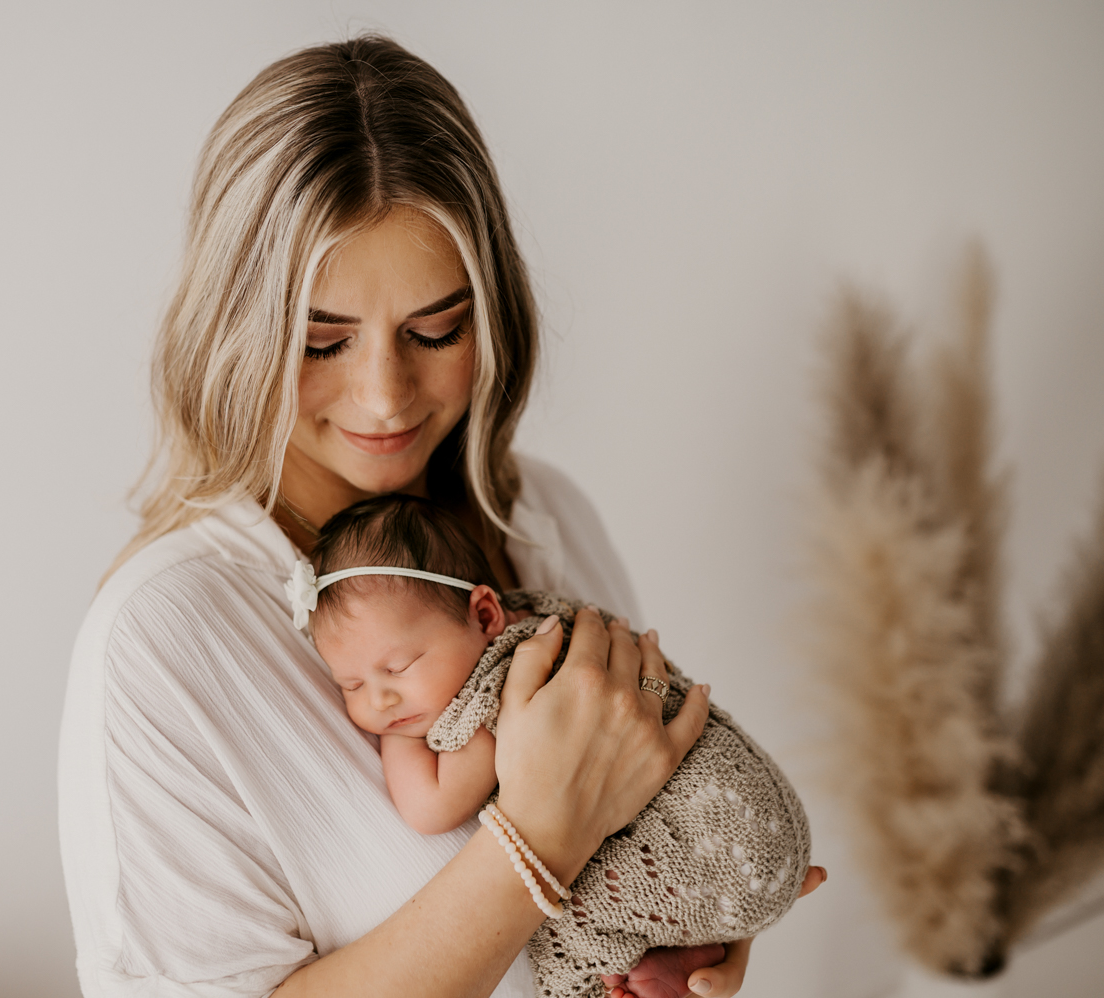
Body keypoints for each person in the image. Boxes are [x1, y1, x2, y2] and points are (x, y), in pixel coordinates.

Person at [58, 34, 824, 998]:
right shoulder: (164, 639)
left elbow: (650, 804)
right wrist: (540, 841)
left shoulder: (545, 518)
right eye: (321, 341)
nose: (385, 399)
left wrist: (691, 924)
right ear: (235, 334)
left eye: (436, 330)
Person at [302, 494, 811, 998]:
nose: (381, 699)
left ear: (484, 615)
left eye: (398, 668)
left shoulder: (495, 693)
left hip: (714, 850)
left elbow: (431, 806)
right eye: (351, 685)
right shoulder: (547, 618)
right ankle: (682, 950)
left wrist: (394, 736)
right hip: (761, 828)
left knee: (553, 920)